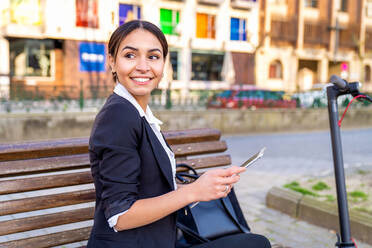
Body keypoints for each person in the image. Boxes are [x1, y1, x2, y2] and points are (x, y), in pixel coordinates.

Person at [87, 20, 271, 248]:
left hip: (160, 240)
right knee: (254, 245)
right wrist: (193, 192)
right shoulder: (118, 116)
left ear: (164, 64)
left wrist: (206, 186)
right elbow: (120, 217)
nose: (143, 66)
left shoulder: (137, 113)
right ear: (112, 62)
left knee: (252, 243)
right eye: (130, 55)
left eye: (153, 57)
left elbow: (149, 190)